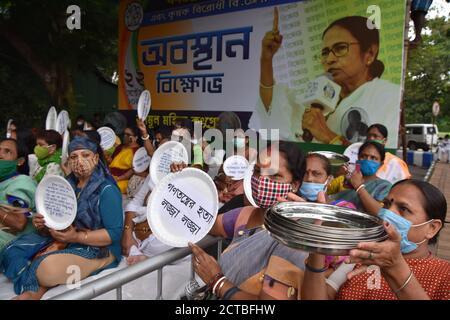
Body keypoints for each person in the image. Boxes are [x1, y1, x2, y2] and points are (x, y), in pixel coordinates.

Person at [250, 10, 400, 147]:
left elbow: (381, 159)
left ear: (370, 54)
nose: (329, 59)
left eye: (340, 48)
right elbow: (272, 103)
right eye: (325, 52)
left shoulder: (387, 95)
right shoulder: (320, 96)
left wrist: (327, 135)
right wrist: (266, 59)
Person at [0, 136, 123, 299]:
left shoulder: (107, 189)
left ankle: (33, 290)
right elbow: (55, 221)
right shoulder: (65, 186)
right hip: (64, 240)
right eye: (73, 156)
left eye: (85, 155)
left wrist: (77, 236)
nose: (79, 160)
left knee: (46, 268)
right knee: (11, 250)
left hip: (98, 249)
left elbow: (114, 233)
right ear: (68, 161)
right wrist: (42, 224)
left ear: (96, 158)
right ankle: (33, 288)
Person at [188, 141, 310, 300]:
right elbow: (204, 222)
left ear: (294, 185)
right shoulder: (246, 215)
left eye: (274, 175)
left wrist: (217, 281)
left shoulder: (293, 236)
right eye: (258, 171)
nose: (262, 181)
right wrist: (181, 182)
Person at [302, 179, 450, 300]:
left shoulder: (444, 275)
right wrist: (318, 239)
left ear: (432, 228)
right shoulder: (364, 257)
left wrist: (395, 267)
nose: (387, 213)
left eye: (403, 209)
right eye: (386, 204)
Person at [328, 141, 391, 214]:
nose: (367, 160)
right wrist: (335, 175)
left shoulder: (384, 186)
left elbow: (380, 213)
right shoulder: (344, 179)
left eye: (373, 158)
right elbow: (324, 195)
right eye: (363, 156)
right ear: (357, 159)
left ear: (381, 163)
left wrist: (358, 186)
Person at [0, 138, 37, 255]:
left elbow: (19, 223)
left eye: (7, 151)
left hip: (12, 244)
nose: (0, 155)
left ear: (20, 161)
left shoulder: (21, 182)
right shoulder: (4, 182)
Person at [107, 126, 142, 194]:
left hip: (123, 180)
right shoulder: (119, 147)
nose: (125, 136)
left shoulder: (138, 151)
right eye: (124, 134)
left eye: (128, 135)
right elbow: (113, 162)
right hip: (110, 176)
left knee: (110, 188)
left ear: (136, 138)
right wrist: (107, 158)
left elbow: (133, 170)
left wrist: (117, 179)